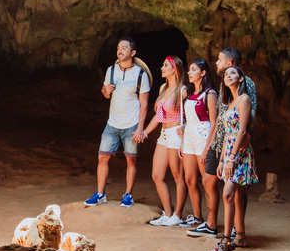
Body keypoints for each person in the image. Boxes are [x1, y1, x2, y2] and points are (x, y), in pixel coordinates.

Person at [187, 47, 256, 238]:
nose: (216, 63)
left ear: (230, 63)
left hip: (236, 145)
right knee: (210, 181)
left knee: (236, 190)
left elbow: (251, 112)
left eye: (220, 60)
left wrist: (248, 134)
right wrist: (210, 143)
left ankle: (235, 230)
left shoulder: (246, 85)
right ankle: (212, 224)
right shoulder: (224, 85)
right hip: (220, 142)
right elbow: (219, 118)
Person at [84, 37, 151, 207]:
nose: (120, 51)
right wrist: (105, 90)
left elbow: (144, 104)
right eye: (118, 48)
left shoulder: (140, 74)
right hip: (112, 123)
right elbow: (106, 93)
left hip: (132, 124)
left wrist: (140, 127)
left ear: (132, 52)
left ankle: (128, 195)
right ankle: (100, 194)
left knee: (131, 160)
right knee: (102, 157)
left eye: (124, 48)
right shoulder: (111, 70)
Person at [209, 66, 258, 251]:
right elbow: (228, 134)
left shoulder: (244, 99)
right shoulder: (229, 103)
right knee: (233, 194)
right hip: (228, 152)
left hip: (240, 153)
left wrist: (231, 159)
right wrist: (222, 160)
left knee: (228, 193)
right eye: (226, 74)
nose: (228, 76)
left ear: (241, 78)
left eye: (233, 73)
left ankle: (226, 241)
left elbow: (243, 131)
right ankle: (241, 236)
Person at [143, 56, 187, 226]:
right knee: (157, 175)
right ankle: (167, 213)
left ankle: (178, 215)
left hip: (176, 134)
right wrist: (144, 132)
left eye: (166, 65)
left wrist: (185, 133)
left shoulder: (183, 90)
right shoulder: (163, 87)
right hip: (164, 134)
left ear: (174, 69)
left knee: (177, 176)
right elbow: (158, 116)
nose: (162, 68)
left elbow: (190, 113)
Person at [178, 59, 218, 233]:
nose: (189, 72)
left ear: (203, 73)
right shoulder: (190, 95)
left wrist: (208, 147)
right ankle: (197, 217)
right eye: (189, 69)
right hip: (189, 138)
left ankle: (211, 223)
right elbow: (187, 119)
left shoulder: (209, 94)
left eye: (193, 69)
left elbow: (214, 122)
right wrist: (182, 140)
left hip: (203, 137)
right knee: (190, 180)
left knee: (207, 182)